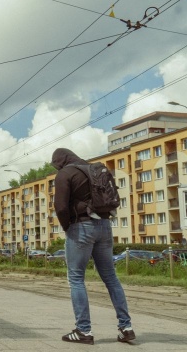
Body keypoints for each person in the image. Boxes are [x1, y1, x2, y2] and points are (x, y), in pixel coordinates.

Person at [51, 148, 134, 345]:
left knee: (76, 278)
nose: (57, 169)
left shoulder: (65, 174)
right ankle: (126, 327)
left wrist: (67, 226)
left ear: (60, 162)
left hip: (81, 227)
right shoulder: (94, 169)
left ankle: (83, 331)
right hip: (105, 226)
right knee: (111, 278)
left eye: (56, 165)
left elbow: (61, 206)